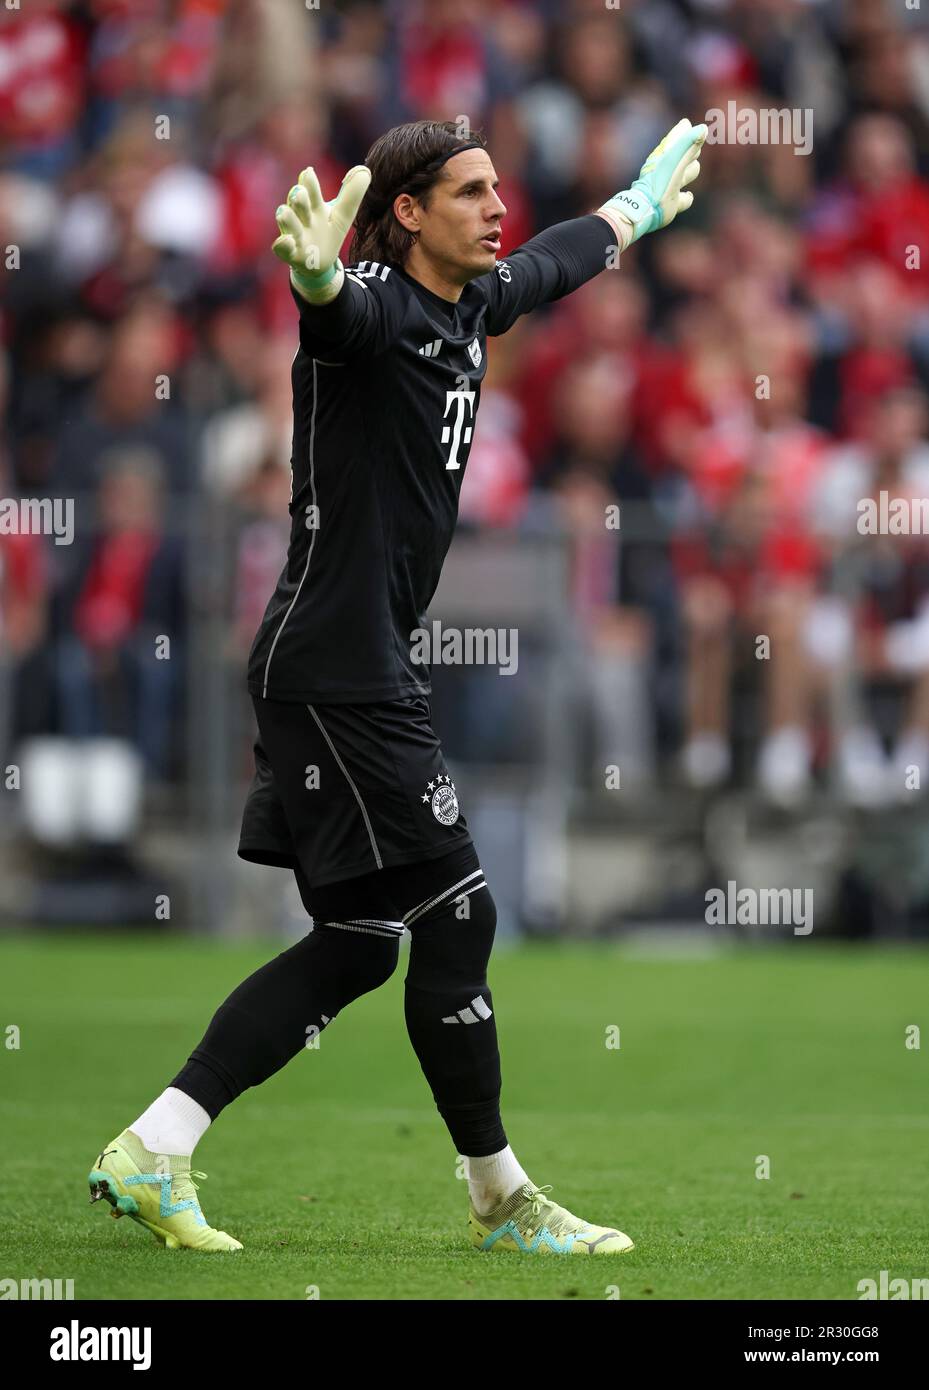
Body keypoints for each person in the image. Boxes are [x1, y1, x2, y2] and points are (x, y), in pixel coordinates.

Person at [88, 116, 706, 1256]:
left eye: (496, 188)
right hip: (337, 671)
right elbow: (337, 312)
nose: (494, 206)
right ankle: (501, 1198)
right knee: (461, 906)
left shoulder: (469, 299)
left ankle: (154, 1147)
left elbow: (556, 259)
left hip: (343, 665)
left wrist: (632, 209)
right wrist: (316, 274)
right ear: (408, 215)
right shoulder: (372, 310)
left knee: (365, 937)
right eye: (468, 192)